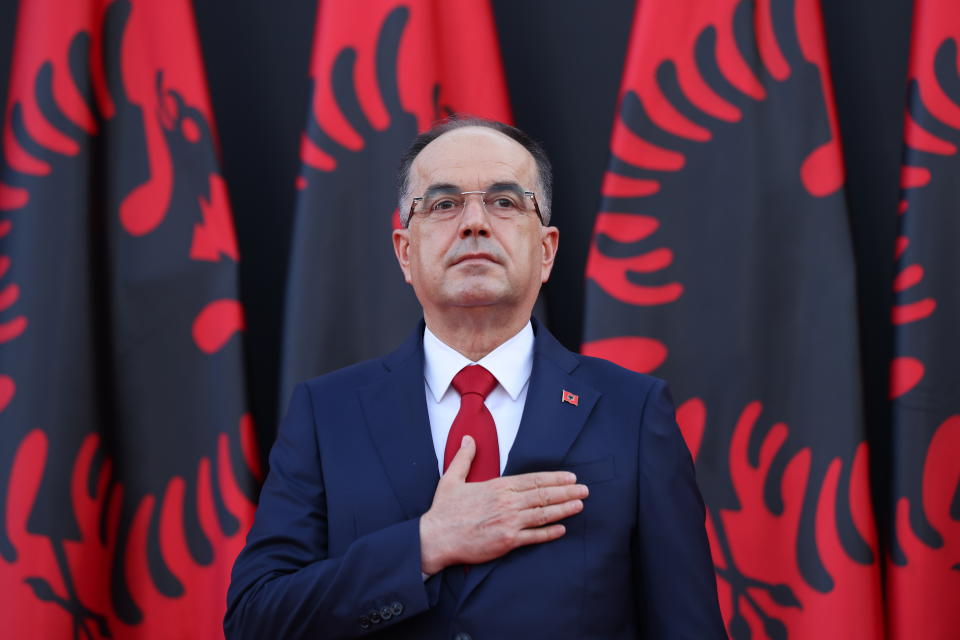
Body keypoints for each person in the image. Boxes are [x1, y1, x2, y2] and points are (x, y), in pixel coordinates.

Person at [224, 118, 726, 639]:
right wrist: (423, 545)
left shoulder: (634, 411)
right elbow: (255, 621)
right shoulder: (327, 413)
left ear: (547, 249)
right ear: (404, 252)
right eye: (443, 204)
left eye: (505, 202)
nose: (475, 223)